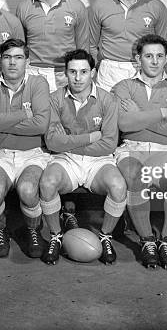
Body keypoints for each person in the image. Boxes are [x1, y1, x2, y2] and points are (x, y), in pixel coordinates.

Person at [40, 49, 126, 265]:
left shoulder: (108, 100)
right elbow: (51, 142)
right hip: (65, 160)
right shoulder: (53, 99)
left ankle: (105, 236)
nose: (78, 78)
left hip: (98, 160)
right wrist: (90, 137)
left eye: (83, 72)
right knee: (48, 183)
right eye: (72, 72)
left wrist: (69, 142)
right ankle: (56, 236)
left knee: (118, 186)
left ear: (93, 73)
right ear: (65, 73)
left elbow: (108, 143)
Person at [112, 35, 167, 269]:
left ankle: (166, 241)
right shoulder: (124, 86)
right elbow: (124, 124)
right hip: (131, 149)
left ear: (166, 58)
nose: (154, 62)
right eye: (148, 56)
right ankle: (147, 241)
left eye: (159, 56)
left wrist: (140, 114)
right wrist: (163, 113)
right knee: (137, 176)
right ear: (138, 59)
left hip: (165, 149)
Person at [0, 38, 50, 258]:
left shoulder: (38, 83)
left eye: (18, 57)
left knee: (28, 190)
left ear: (27, 61)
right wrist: (24, 115)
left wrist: (2, 125)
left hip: (32, 154)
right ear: (0, 61)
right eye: (7, 57)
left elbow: (41, 125)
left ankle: (33, 229)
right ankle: (0, 229)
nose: (12, 63)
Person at [89, 0, 167, 91]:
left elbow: (166, 46)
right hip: (109, 73)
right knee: (108, 113)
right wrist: (100, 66)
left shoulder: (157, 6)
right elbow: (91, 45)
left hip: (144, 70)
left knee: (142, 113)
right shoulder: (99, 6)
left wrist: (152, 70)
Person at [16, 0, 89, 92]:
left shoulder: (76, 6)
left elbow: (83, 46)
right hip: (33, 73)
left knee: (67, 113)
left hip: (66, 74)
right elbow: (20, 48)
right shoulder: (23, 8)